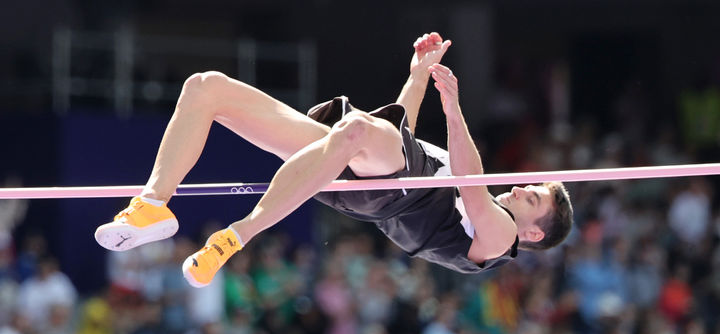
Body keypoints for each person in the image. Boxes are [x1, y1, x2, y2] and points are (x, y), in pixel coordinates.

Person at [95, 33, 573, 287]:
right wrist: (419, 76)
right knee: (206, 87)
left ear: (534, 232)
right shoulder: (462, 176)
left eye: (539, 199)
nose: (529, 188)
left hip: (391, 192)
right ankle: (153, 204)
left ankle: (236, 237)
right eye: (538, 186)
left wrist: (452, 108)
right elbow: (401, 129)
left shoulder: (501, 241)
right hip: (352, 167)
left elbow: (468, 185)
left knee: (360, 129)